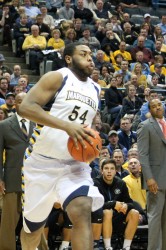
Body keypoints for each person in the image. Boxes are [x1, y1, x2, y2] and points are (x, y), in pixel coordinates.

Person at [18, 43, 104, 250]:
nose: (90, 58)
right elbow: (25, 108)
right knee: (32, 229)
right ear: (68, 58)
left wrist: (92, 142)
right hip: (41, 163)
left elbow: (88, 124)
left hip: (74, 165)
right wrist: (67, 126)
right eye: (83, 54)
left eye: (91, 55)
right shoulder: (58, 77)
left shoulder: (96, 88)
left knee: (82, 209)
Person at [0, 92, 34, 250]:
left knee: (36, 220)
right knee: (8, 222)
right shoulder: (4, 125)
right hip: (12, 179)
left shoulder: (38, 125)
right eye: (20, 101)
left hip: (35, 181)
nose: (23, 103)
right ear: (15, 104)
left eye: (26, 101)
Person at [137, 98, 166, 250]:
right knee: (155, 219)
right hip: (155, 179)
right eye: (153, 106)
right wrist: (149, 178)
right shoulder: (145, 126)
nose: (157, 108)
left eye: (159, 105)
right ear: (150, 110)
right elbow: (142, 155)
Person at [92, 158, 139, 250]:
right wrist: (113, 204)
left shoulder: (121, 183)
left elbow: (130, 202)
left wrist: (126, 205)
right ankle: (108, 247)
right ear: (101, 170)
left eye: (112, 169)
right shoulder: (95, 183)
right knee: (108, 212)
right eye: (106, 168)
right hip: (99, 219)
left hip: (117, 218)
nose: (109, 171)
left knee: (134, 213)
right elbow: (95, 204)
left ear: (115, 171)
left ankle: (126, 247)